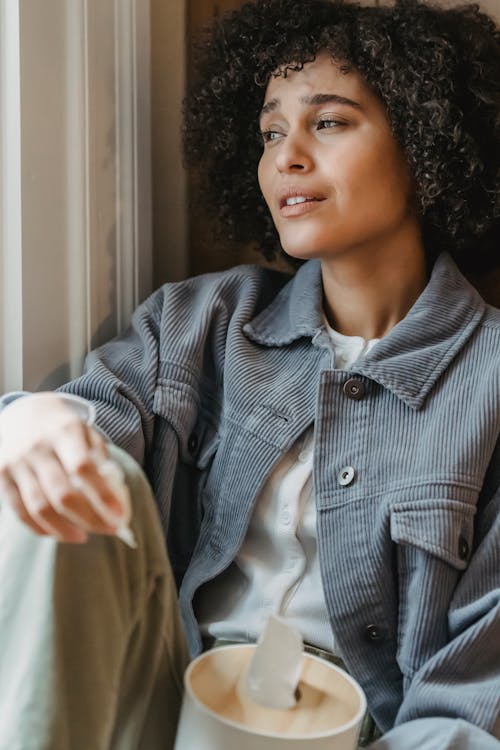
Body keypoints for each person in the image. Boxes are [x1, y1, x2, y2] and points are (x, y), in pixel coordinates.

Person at [0, 0, 498, 748]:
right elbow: (86, 446)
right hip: (165, 703)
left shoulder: (490, 379)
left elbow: (472, 702)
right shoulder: (201, 321)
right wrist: (31, 419)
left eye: (327, 122)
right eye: (271, 132)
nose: (286, 157)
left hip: (364, 736)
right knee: (69, 477)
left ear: (429, 144)